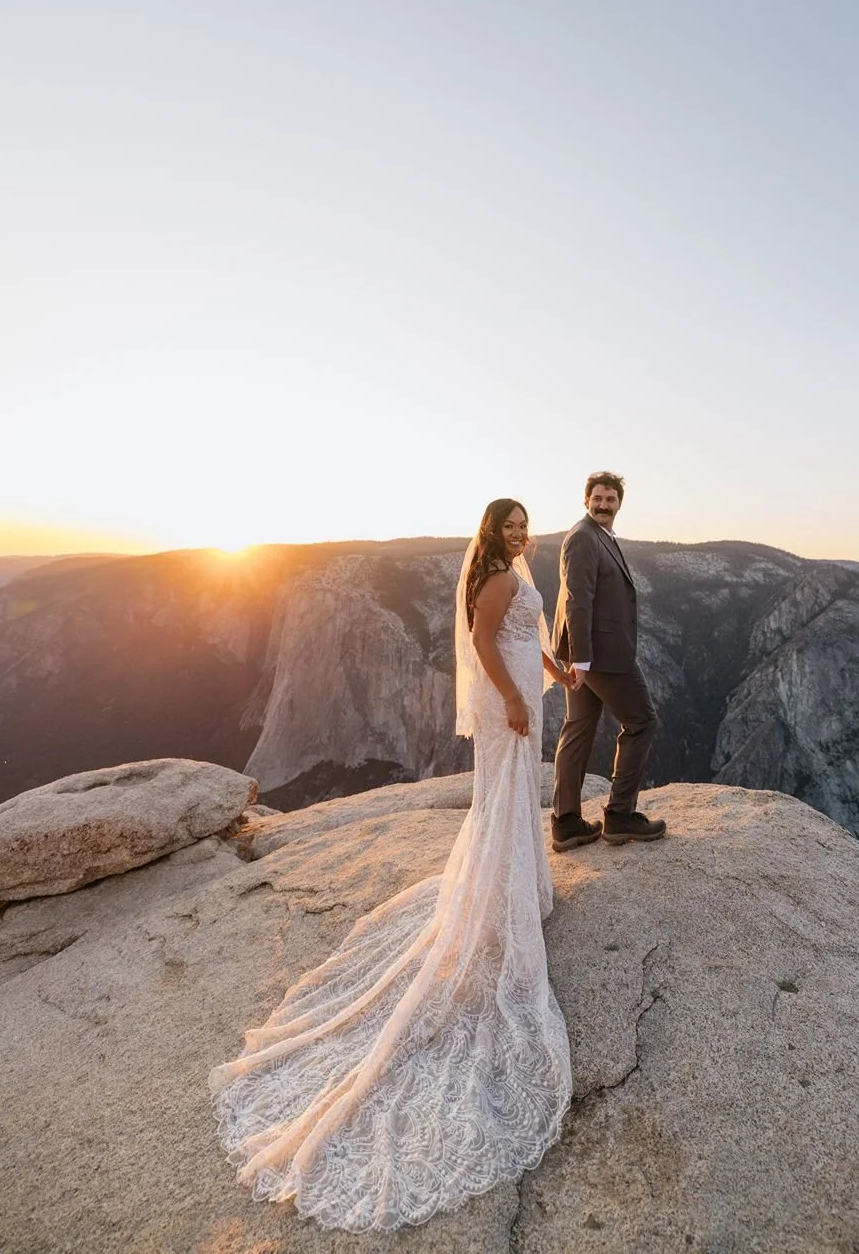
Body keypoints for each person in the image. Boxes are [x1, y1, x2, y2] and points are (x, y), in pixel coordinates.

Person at [210, 499, 575, 1232]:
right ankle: (500, 894)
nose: (519, 533)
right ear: (492, 532)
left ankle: (518, 882)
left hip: (522, 689)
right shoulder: (497, 576)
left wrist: (551, 666)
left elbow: (521, 631)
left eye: (524, 524)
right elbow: (479, 637)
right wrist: (511, 696)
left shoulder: (515, 572)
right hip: (508, 699)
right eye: (509, 525)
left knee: (511, 797)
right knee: (502, 798)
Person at [550, 471, 667, 851]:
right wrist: (582, 660)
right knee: (642, 721)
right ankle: (619, 815)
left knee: (579, 729)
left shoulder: (599, 536)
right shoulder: (584, 537)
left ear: (619, 503)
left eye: (610, 499)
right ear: (586, 501)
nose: (603, 505)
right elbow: (577, 600)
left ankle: (567, 822)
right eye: (597, 498)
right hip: (601, 656)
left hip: (591, 653)